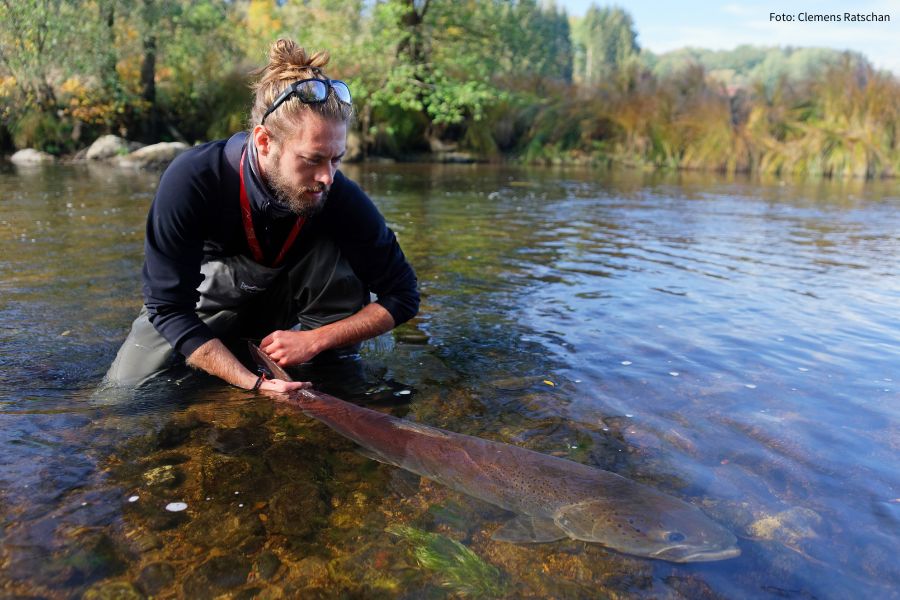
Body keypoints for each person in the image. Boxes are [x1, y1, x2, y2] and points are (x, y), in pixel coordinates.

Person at [104, 39, 419, 393]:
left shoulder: (339, 193)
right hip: (209, 305)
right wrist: (251, 384)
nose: (328, 177)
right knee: (122, 399)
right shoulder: (193, 179)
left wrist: (316, 340)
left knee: (335, 254)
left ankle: (331, 369)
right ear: (264, 142)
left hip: (292, 318)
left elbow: (403, 294)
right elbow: (168, 308)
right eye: (313, 159)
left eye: (337, 159)